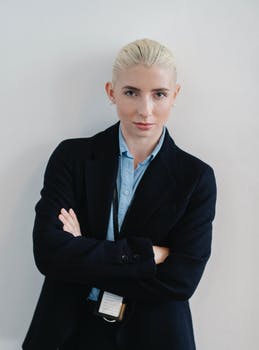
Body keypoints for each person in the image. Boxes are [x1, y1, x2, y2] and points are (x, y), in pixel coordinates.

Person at [22, 38, 217, 350]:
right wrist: (146, 256)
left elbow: (181, 280)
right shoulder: (72, 157)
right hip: (70, 333)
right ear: (111, 92)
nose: (145, 110)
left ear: (175, 95)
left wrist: (82, 252)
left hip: (155, 336)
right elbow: (49, 254)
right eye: (131, 92)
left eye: (159, 94)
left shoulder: (196, 178)